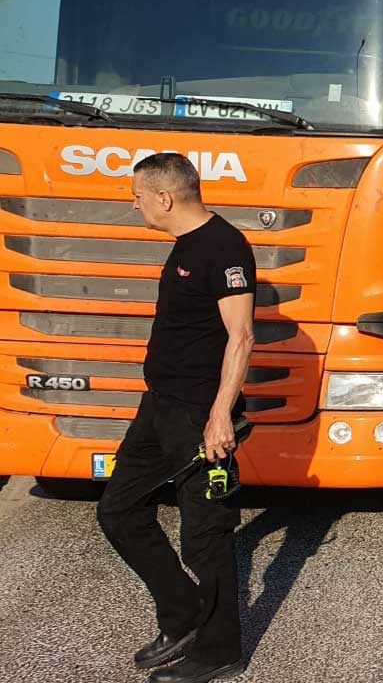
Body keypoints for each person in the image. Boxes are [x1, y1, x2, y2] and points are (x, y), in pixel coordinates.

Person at [97, 153, 256, 683]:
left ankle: (219, 649)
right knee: (118, 511)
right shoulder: (184, 246)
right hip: (158, 406)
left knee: (205, 538)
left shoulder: (225, 247)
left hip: (199, 416)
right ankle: (183, 613)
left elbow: (242, 336)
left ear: (164, 198)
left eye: (137, 194)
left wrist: (219, 417)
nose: (134, 202)